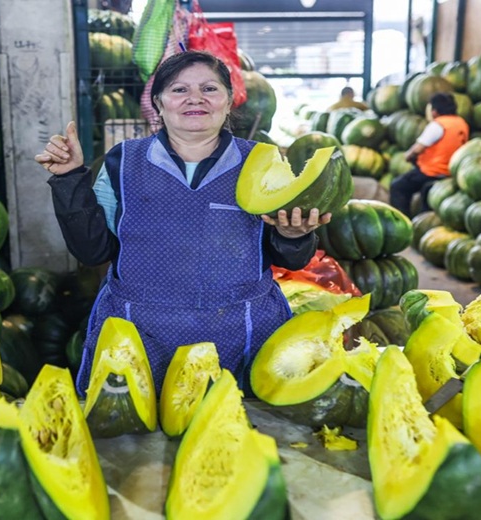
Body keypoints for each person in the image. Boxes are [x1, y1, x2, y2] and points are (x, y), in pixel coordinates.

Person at [35, 51, 331, 395]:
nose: (195, 99)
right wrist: (70, 178)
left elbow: (290, 258)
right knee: (138, 441)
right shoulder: (123, 161)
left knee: (239, 434)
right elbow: (92, 249)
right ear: (158, 102)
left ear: (228, 100)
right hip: (140, 335)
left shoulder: (262, 161)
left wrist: (293, 235)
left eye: (209, 88)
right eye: (179, 90)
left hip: (243, 334)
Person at [389, 92, 470, 217]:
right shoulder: (462, 123)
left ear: (434, 111)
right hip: (451, 172)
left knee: (398, 186)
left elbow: (418, 148)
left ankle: (401, 219)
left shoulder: (437, 125)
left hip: (432, 172)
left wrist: (408, 155)